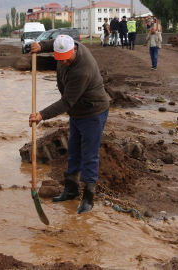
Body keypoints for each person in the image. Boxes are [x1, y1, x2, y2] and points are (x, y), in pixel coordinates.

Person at [29, 35, 110, 214]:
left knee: (89, 155)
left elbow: (66, 102)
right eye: (60, 59)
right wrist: (41, 46)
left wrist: (42, 115)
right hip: (77, 113)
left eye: (66, 59)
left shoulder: (83, 69)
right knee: (73, 151)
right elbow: (54, 42)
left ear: (73, 49)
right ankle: (71, 190)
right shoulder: (64, 47)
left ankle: (88, 197)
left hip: (93, 113)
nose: (64, 62)